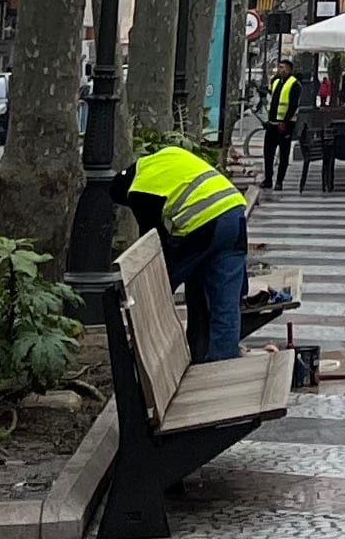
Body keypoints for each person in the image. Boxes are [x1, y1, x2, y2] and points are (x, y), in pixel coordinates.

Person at [125, 133, 253, 360]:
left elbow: (153, 242)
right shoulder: (168, 154)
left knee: (161, 284)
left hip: (206, 224)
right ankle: (219, 366)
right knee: (225, 305)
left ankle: (150, 351)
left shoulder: (138, 189)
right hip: (235, 214)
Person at [261, 62, 302, 192]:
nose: (279, 70)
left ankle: (279, 181)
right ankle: (268, 179)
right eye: (278, 67)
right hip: (272, 123)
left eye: (282, 67)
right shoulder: (275, 81)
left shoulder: (294, 84)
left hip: (286, 125)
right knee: (268, 152)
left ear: (289, 69)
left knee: (284, 153)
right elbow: (270, 99)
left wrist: (285, 121)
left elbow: (293, 105)